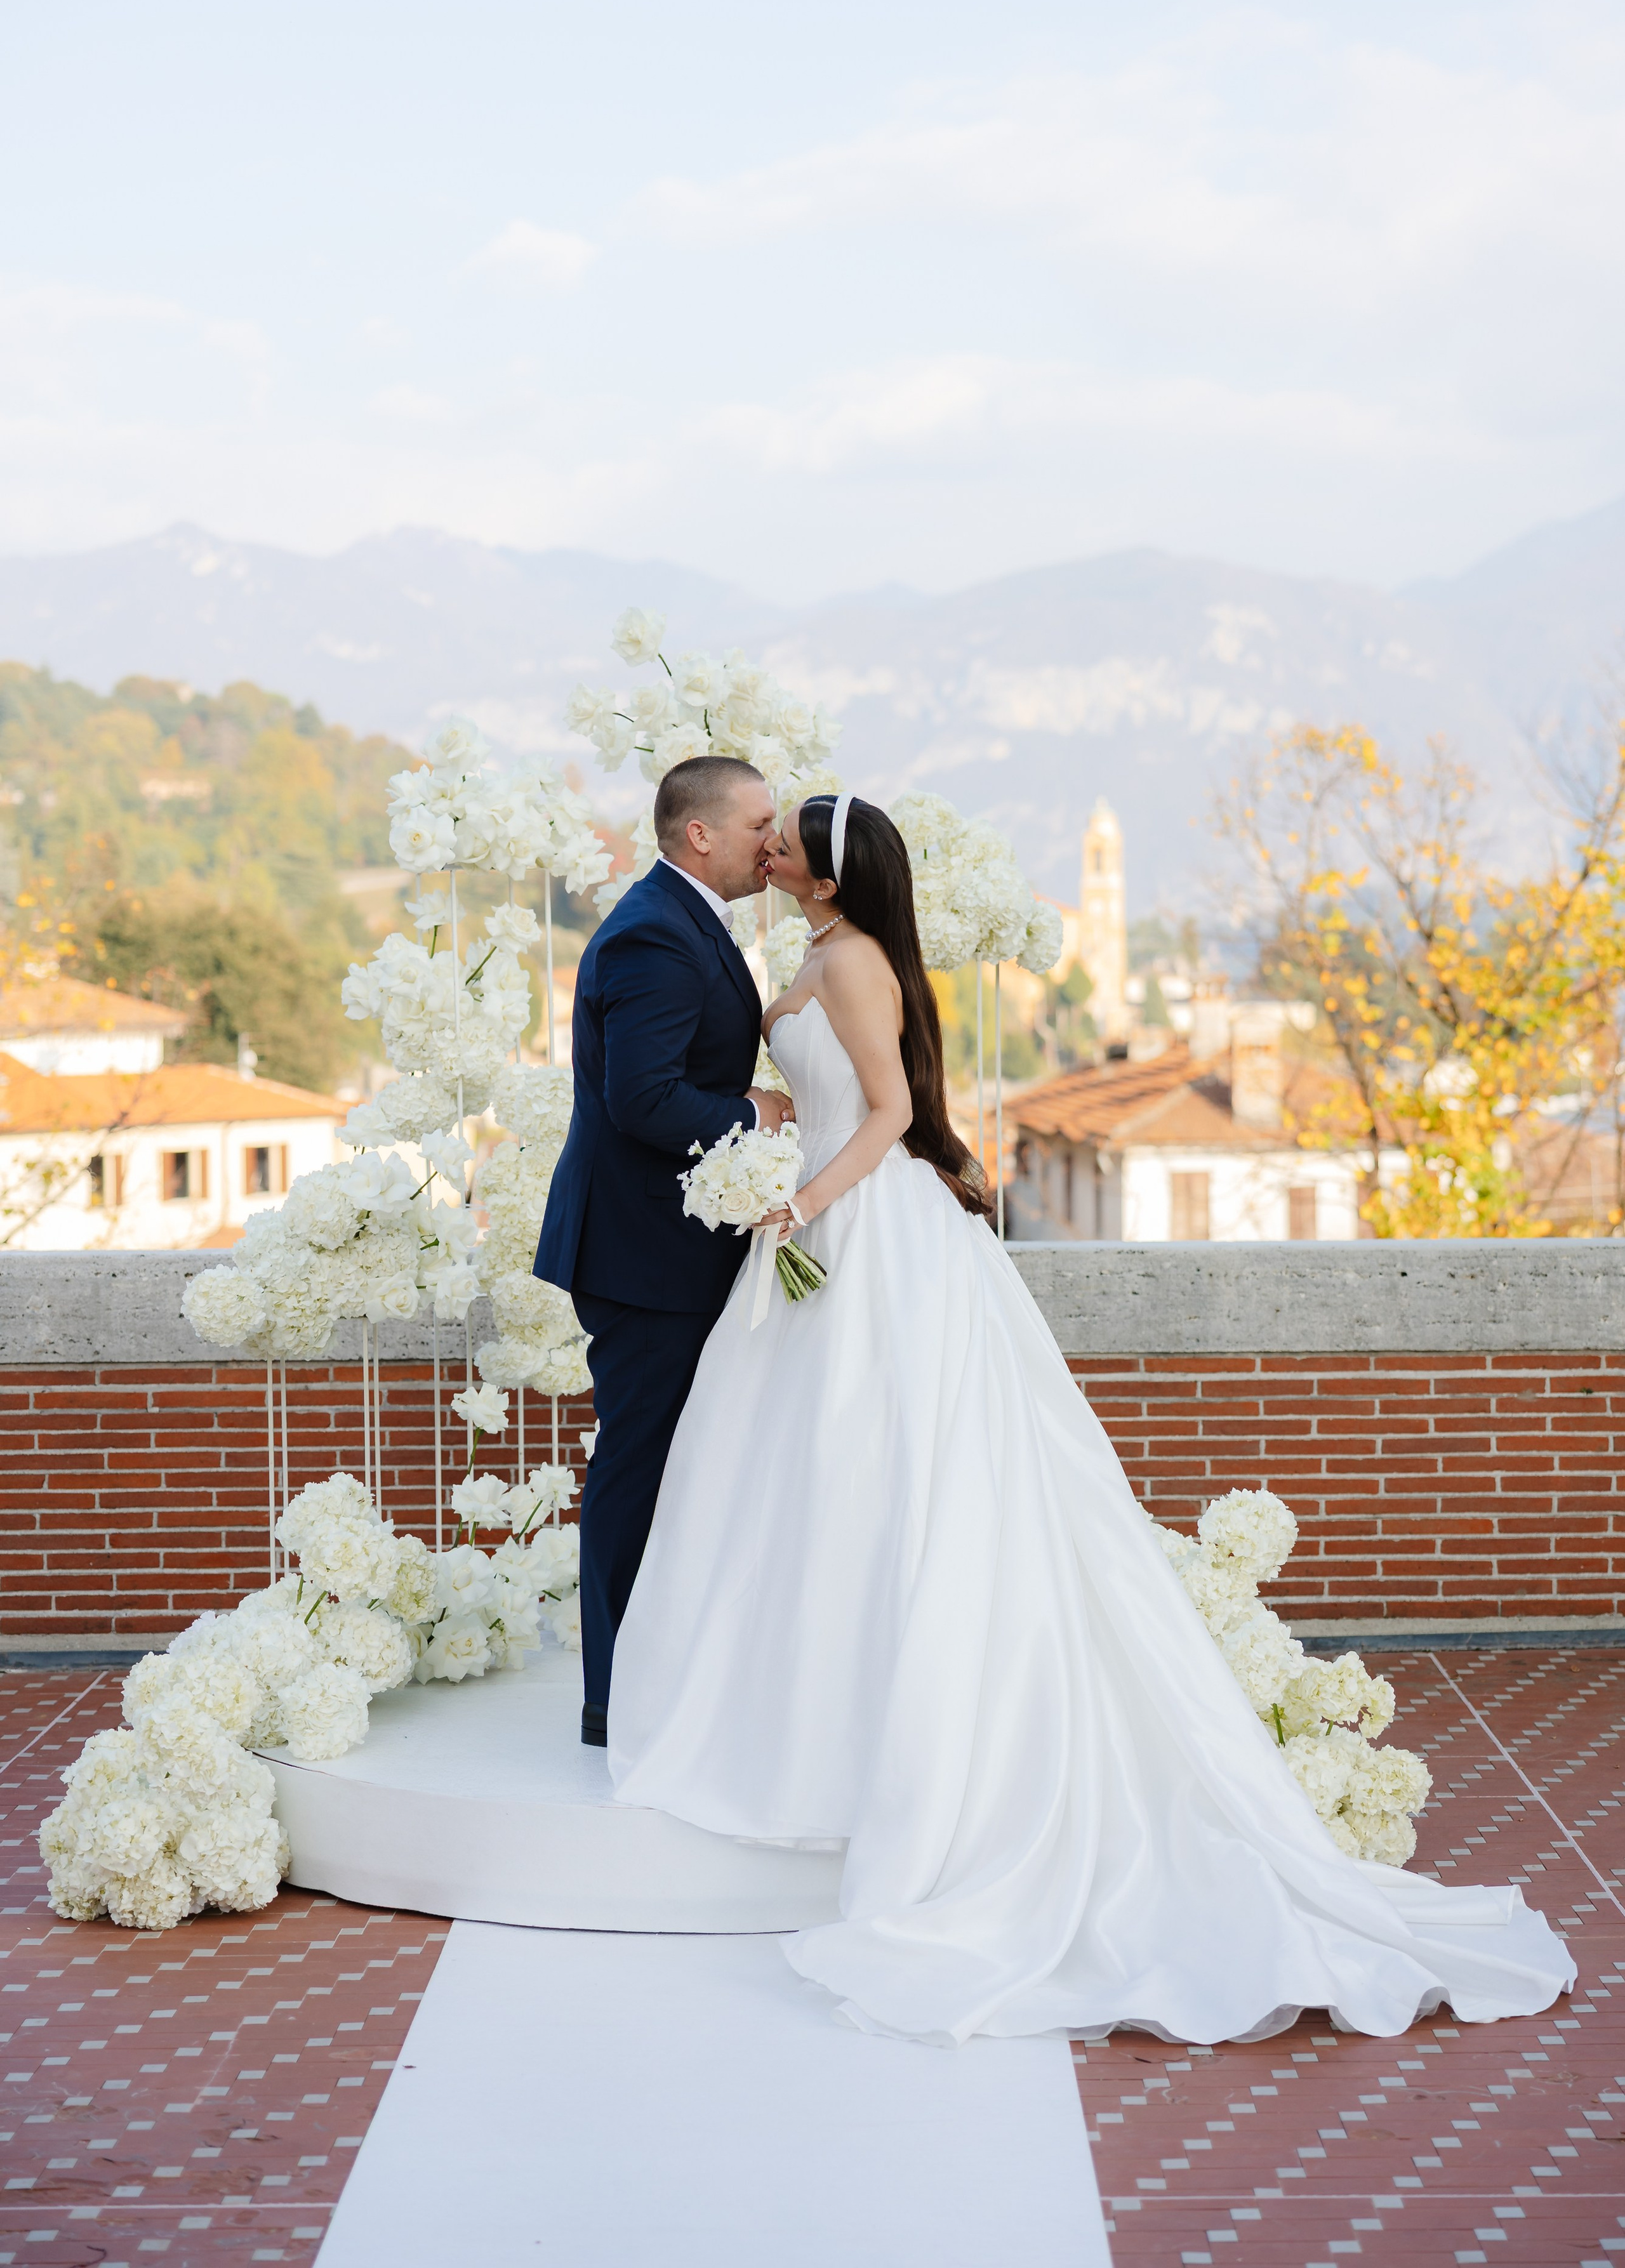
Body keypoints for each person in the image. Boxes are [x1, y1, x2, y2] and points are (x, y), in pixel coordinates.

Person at [604, 789, 1574, 2047]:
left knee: (883, 1478)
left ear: (832, 877)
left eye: (789, 835)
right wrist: (777, 1137)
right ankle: (809, 1734)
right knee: (811, 1484)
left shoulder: (845, 962)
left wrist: (796, 1205)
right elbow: (842, 1101)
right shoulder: (818, 952)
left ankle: (912, 1766)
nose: (770, 842)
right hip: (832, 1235)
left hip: (866, 1239)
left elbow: (891, 1120)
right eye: (767, 828)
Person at [533, 756, 792, 1746]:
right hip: (646, 1256)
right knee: (639, 1471)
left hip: (671, 1247)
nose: (771, 841)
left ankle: (661, 1679)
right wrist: (753, 1112)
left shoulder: (685, 920)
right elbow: (644, 1100)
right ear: (701, 835)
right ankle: (617, 1701)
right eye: (759, 822)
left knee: (677, 1464)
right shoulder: (653, 933)